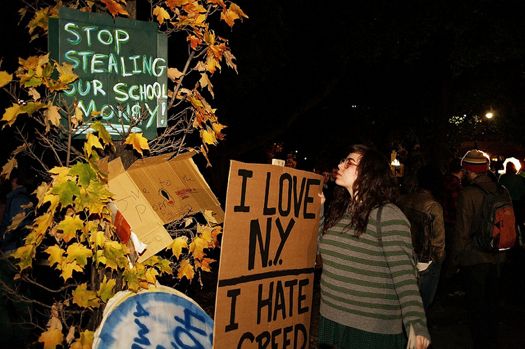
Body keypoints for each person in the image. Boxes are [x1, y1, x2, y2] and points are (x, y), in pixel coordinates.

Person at [317, 144, 430, 349]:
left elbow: (405, 276)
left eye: (349, 162)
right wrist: (319, 210)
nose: (340, 165)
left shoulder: (387, 215)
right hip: (332, 317)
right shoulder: (341, 212)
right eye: (343, 160)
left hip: (370, 328)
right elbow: (321, 252)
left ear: (370, 173)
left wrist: (416, 324)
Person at [451, 149, 506, 349]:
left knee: (476, 307)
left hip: (474, 258)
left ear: (469, 170)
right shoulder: (502, 190)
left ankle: (481, 342)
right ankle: (492, 340)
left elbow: (462, 231)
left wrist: (455, 260)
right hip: (498, 256)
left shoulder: (468, 194)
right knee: (492, 304)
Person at [398, 164, 446, 311]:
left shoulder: (404, 200)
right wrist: (440, 259)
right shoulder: (433, 206)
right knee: (421, 307)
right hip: (426, 261)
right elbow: (438, 240)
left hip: (405, 257)